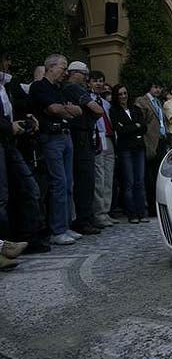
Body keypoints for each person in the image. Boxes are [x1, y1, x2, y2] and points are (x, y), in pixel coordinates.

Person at [1, 49, 50, 255]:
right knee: (2, 197)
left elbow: (20, 104)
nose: (8, 63)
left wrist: (28, 116)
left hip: (10, 144)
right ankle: (4, 247)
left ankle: (29, 237)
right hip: (3, 140)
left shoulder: (8, 84)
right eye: (6, 59)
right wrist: (8, 126)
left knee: (30, 188)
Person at [30, 54, 82, 245]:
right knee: (58, 183)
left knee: (68, 183)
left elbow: (77, 111)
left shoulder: (59, 88)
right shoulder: (39, 87)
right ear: (51, 67)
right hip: (51, 138)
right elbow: (54, 109)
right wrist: (66, 109)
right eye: (63, 67)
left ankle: (66, 225)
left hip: (65, 136)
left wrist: (66, 109)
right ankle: (57, 230)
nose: (65, 72)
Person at [63, 62, 104, 235]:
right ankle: (83, 219)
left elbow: (97, 111)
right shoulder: (73, 88)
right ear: (74, 73)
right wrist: (87, 111)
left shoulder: (77, 89)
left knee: (87, 179)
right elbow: (97, 109)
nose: (86, 77)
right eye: (84, 73)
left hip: (84, 135)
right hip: (79, 136)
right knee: (84, 179)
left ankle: (87, 216)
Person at [110, 84, 148, 224]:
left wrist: (132, 128)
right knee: (129, 181)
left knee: (140, 180)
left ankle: (141, 212)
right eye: (120, 94)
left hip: (139, 147)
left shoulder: (135, 109)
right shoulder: (114, 111)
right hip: (125, 148)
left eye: (125, 93)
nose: (123, 96)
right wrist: (135, 127)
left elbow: (143, 127)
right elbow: (120, 130)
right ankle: (132, 213)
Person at [89, 71, 118, 227]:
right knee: (99, 176)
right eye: (95, 81)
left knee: (108, 176)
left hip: (109, 139)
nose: (99, 84)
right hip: (98, 139)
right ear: (89, 83)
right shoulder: (89, 101)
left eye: (101, 81)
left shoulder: (106, 103)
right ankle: (98, 213)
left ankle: (106, 211)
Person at [135, 83, 168, 217]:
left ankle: (157, 205)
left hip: (161, 139)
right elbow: (141, 119)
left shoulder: (159, 102)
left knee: (158, 174)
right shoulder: (142, 101)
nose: (158, 89)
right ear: (149, 88)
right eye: (155, 87)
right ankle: (151, 208)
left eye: (159, 87)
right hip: (150, 140)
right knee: (150, 176)